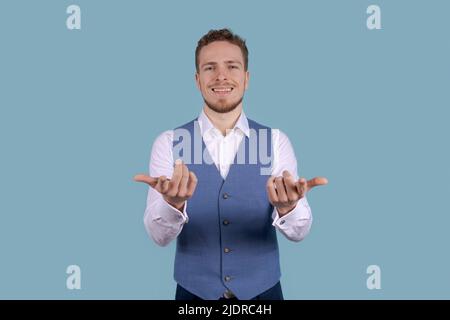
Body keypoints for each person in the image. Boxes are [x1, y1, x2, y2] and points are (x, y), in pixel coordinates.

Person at [134, 28, 328, 300]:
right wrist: (172, 205)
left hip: (264, 295)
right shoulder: (169, 142)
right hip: (193, 296)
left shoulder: (275, 141)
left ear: (246, 78)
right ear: (197, 79)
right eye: (210, 67)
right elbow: (158, 236)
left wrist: (288, 207)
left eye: (232, 67)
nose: (221, 76)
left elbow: (300, 232)